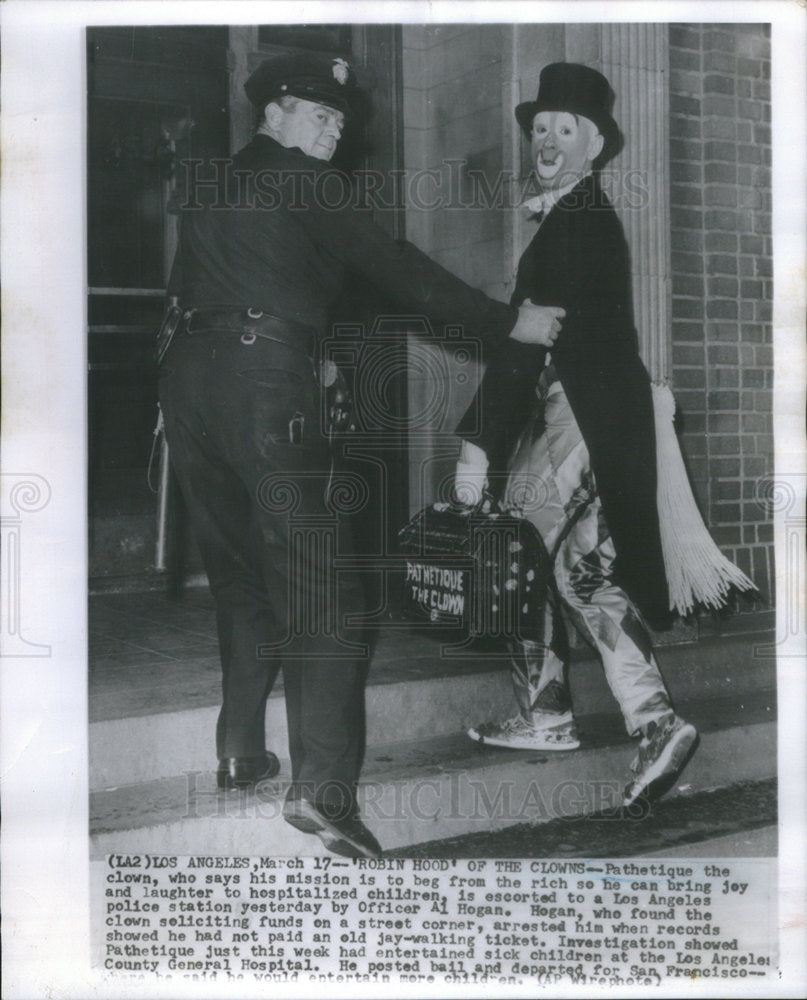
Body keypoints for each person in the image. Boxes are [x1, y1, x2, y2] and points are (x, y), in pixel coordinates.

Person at [158, 51, 563, 858]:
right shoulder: (307, 182)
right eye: (317, 112)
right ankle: (325, 794)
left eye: (339, 119)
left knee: (239, 573)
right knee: (326, 591)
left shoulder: (214, 182)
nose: (333, 128)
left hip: (189, 383)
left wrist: (308, 345)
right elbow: (394, 267)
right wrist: (504, 321)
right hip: (264, 382)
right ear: (272, 113)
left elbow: (219, 280)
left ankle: (240, 750)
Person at [457, 62, 698, 807]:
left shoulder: (576, 222)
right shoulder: (575, 216)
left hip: (583, 415)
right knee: (547, 562)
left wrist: (477, 445)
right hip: (589, 413)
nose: (547, 141)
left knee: (556, 565)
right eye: (539, 129)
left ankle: (648, 722)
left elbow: (525, 343)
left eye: (565, 129)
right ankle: (554, 712)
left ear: (593, 146)